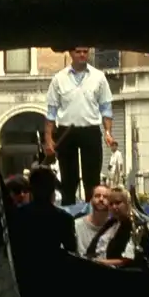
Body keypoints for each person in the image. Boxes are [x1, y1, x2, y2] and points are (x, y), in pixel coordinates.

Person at [44, 46, 115, 207]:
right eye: (78, 52)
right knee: (69, 179)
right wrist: (48, 139)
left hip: (90, 130)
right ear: (71, 53)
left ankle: (93, 212)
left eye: (85, 51)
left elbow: (106, 108)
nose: (82, 55)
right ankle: (69, 213)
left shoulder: (99, 77)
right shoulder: (59, 79)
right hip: (66, 131)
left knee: (92, 178)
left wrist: (108, 132)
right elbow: (51, 112)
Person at [7, 165, 78, 257]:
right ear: (53, 191)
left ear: (31, 190)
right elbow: (71, 249)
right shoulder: (64, 219)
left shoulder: (16, 216)